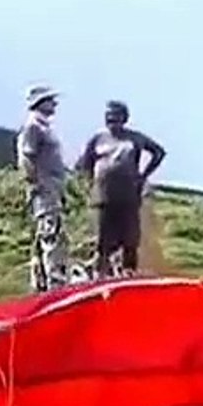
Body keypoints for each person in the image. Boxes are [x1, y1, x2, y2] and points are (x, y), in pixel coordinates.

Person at [75, 100, 166, 279]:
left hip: (129, 196)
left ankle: (128, 275)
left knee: (130, 240)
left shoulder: (135, 138)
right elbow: (84, 164)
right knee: (102, 241)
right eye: (109, 117)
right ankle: (100, 275)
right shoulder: (97, 139)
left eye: (116, 117)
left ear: (124, 118)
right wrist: (90, 185)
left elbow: (158, 152)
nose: (112, 121)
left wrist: (143, 176)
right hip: (103, 197)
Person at [15, 85, 71, 292]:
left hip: (52, 189)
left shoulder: (43, 126)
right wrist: (35, 183)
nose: (54, 104)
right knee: (50, 234)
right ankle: (54, 284)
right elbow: (26, 157)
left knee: (48, 234)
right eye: (50, 100)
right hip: (44, 191)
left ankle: (42, 282)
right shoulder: (33, 126)